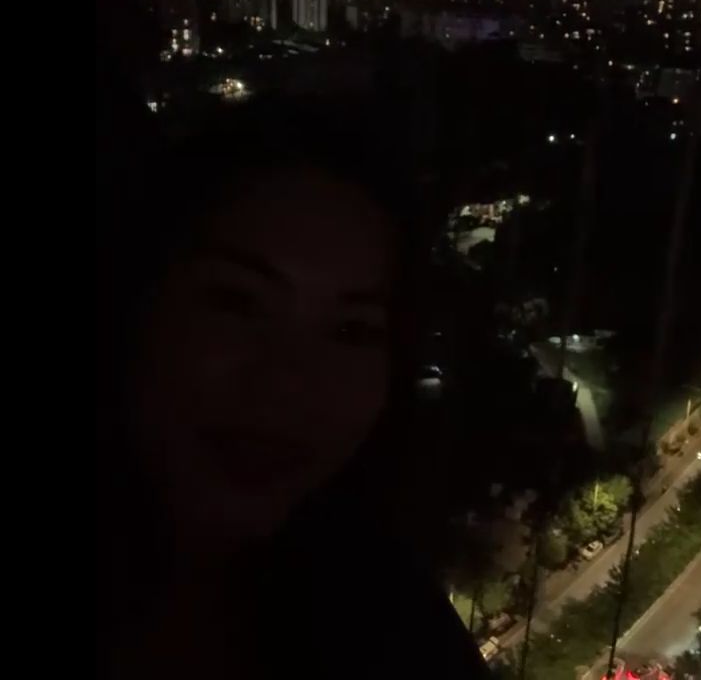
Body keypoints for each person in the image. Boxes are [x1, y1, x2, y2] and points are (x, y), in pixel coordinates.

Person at [98, 96, 489, 678]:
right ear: (136, 305)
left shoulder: (389, 625)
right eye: (237, 302)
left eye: (351, 330)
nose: (289, 385)